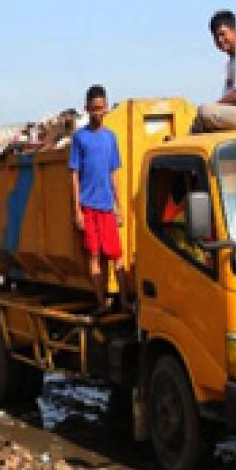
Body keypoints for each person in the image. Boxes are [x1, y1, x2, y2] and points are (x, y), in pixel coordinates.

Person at [69, 85, 130, 315]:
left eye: (101, 108)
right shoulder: (79, 138)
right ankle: (101, 303)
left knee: (117, 256)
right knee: (94, 255)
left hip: (107, 207)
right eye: (94, 108)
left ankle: (124, 301)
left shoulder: (110, 138)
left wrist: (119, 206)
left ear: (106, 108)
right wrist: (77, 210)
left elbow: (114, 173)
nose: (97, 112)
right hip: (88, 207)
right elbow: (74, 175)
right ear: (87, 109)